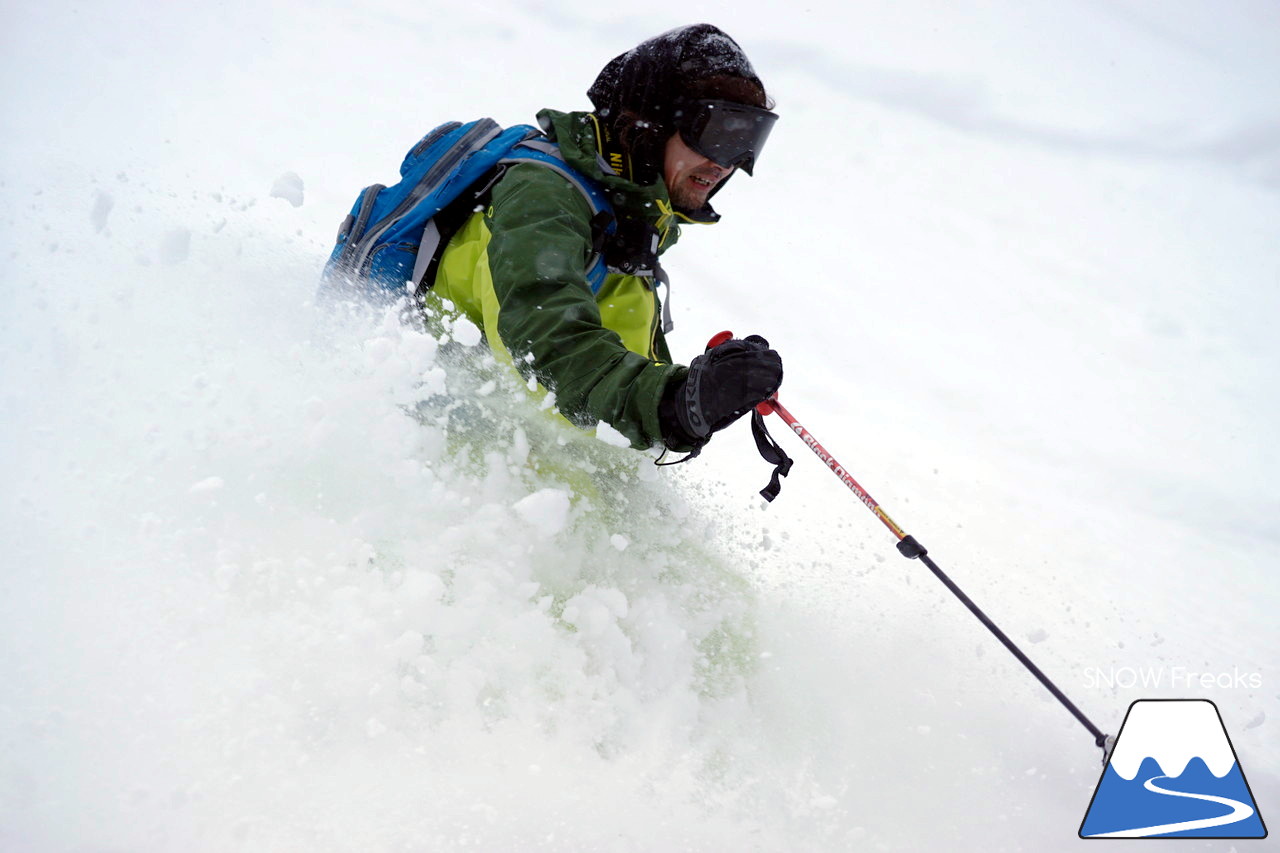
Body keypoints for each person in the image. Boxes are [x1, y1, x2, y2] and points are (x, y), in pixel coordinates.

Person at [426, 24, 784, 461]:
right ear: (651, 124)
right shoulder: (543, 198)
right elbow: (547, 350)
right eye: (716, 133)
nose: (726, 163)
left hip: (544, 473)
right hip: (455, 464)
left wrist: (704, 388)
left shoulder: (631, 219)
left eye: (748, 139)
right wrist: (675, 402)